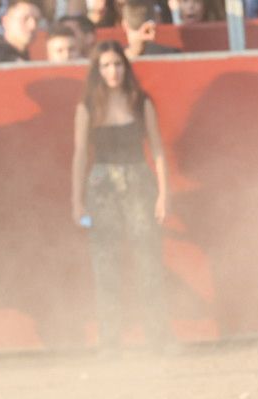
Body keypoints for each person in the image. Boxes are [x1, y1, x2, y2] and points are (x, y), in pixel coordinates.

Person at [70, 42, 173, 355]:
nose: (112, 71)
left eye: (117, 64)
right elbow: (80, 154)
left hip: (139, 180)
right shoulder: (88, 106)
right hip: (102, 186)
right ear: (97, 71)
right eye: (105, 66)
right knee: (106, 264)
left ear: (125, 67)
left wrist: (164, 194)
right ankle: (110, 342)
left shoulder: (141, 102)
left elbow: (156, 149)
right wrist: (76, 200)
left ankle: (157, 339)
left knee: (148, 261)